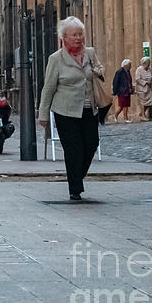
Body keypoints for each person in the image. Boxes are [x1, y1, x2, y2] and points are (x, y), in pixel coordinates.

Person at [38, 17, 105, 201]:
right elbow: (49, 88)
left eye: (81, 34)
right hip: (65, 111)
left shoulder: (90, 53)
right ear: (64, 37)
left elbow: (100, 69)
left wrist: (99, 71)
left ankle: (77, 175)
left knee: (91, 143)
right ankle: (75, 188)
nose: (78, 38)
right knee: (73, 148)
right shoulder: (56, 59)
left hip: (88, 108)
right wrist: (43, 114)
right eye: (74, 35)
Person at [134, 57, 152, 121]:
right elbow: (137, 79)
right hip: (141, 88)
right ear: (144, 63)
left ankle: (141, 114)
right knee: (142, 102)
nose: (149, 64)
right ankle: (143, 115)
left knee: (150, 101)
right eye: (148, 63)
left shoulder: (149, 69)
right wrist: (145, 82)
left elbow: (151, 77)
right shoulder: (139, 69)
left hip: (149, 88)